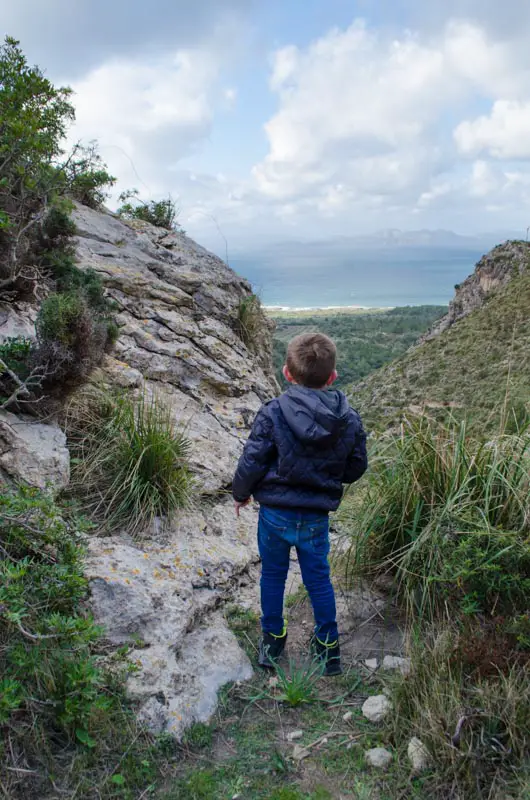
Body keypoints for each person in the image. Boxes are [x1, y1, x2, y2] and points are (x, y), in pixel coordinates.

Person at [232, 332, 368, 676]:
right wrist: (329, 473)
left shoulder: (272, 412)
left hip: (275, 514)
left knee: (273, 575)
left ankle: (273, 639)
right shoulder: (349, 418)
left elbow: (253, 460)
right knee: (318, 579)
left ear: (287, 373)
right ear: (333, 376)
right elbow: (356, 467)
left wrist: (240, 493)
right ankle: (327, 647)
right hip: (315, 518)